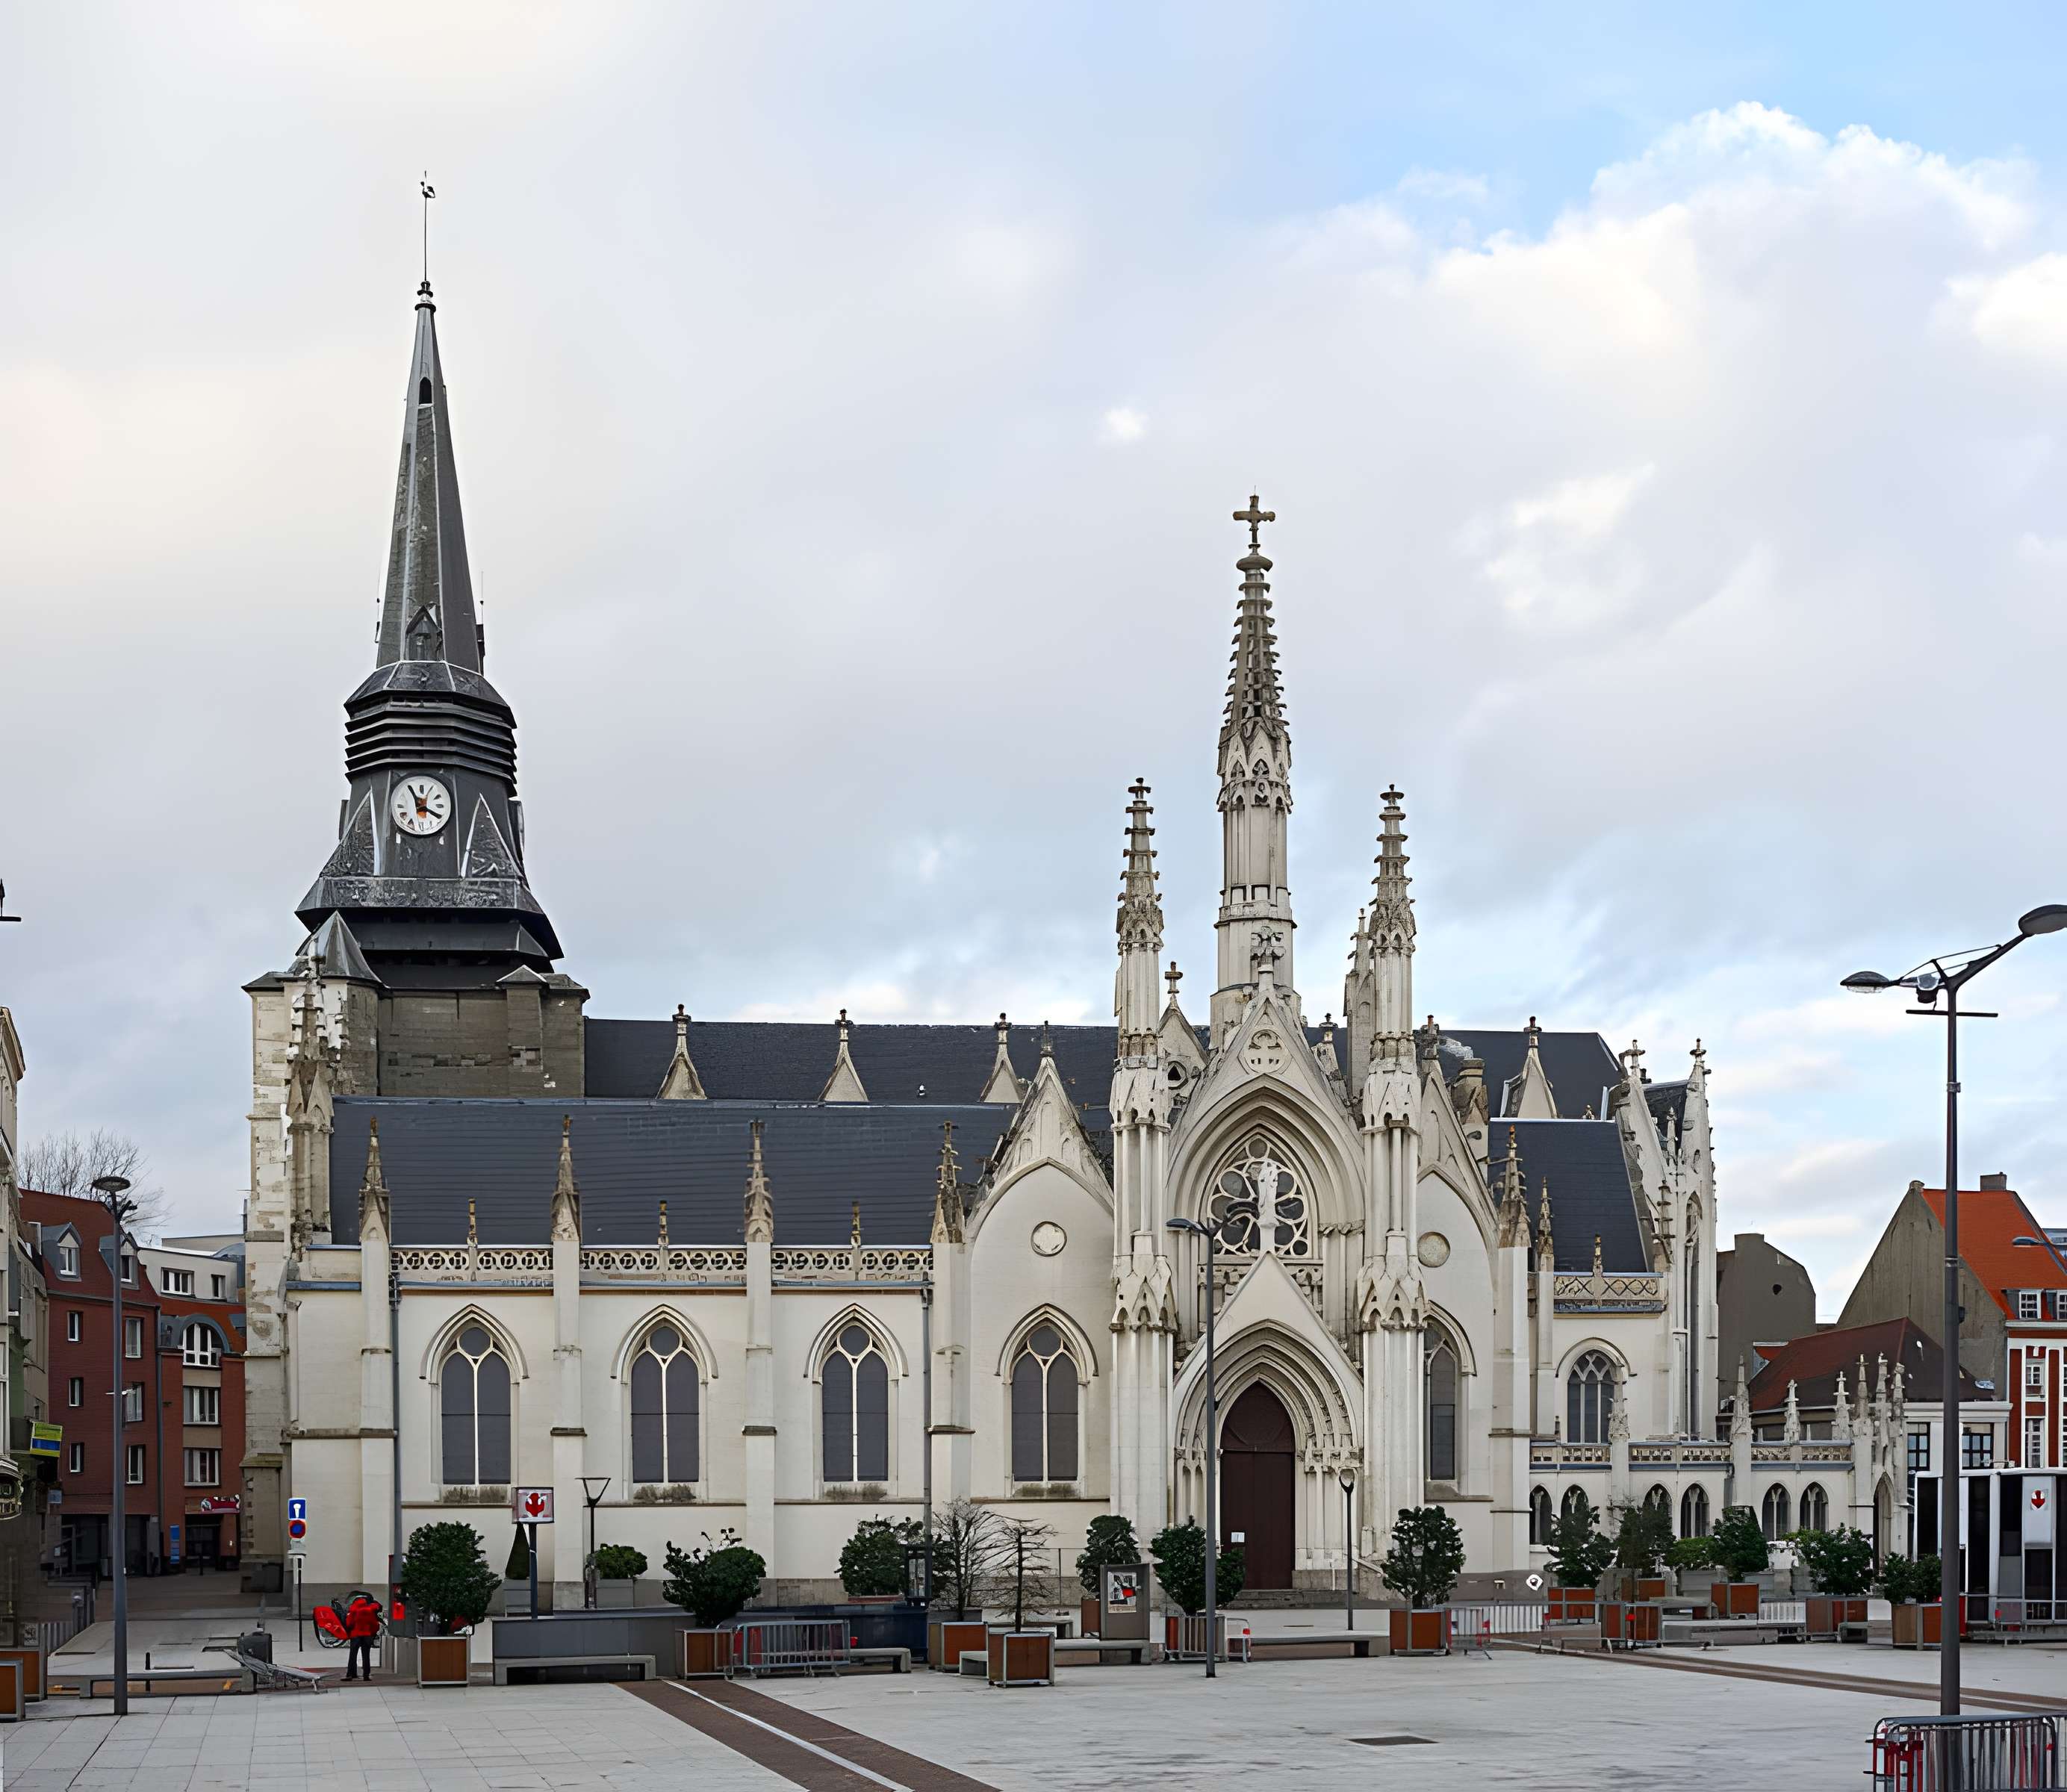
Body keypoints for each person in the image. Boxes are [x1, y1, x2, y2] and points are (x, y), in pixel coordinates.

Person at [344, 1592, 381, 1682]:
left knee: (353, 1655)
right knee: (366, 1655)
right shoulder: (369, 1611)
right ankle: (366, 1675)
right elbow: (374, 1624)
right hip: (367, 1635)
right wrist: (372, 1633)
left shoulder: (354, 1611)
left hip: (355, 1635)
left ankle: (351, 1674)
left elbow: (349, 1623)